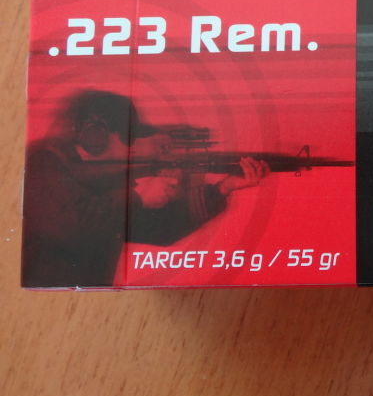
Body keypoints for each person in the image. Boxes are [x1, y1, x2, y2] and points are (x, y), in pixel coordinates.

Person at [22, 90, 269, 288]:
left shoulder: (106, 181)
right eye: (128, 137)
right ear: (97, 136)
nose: (132, 147)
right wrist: (138, 196)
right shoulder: (44, 163)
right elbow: (72, 224)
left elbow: (158, 229)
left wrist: (223, 188)